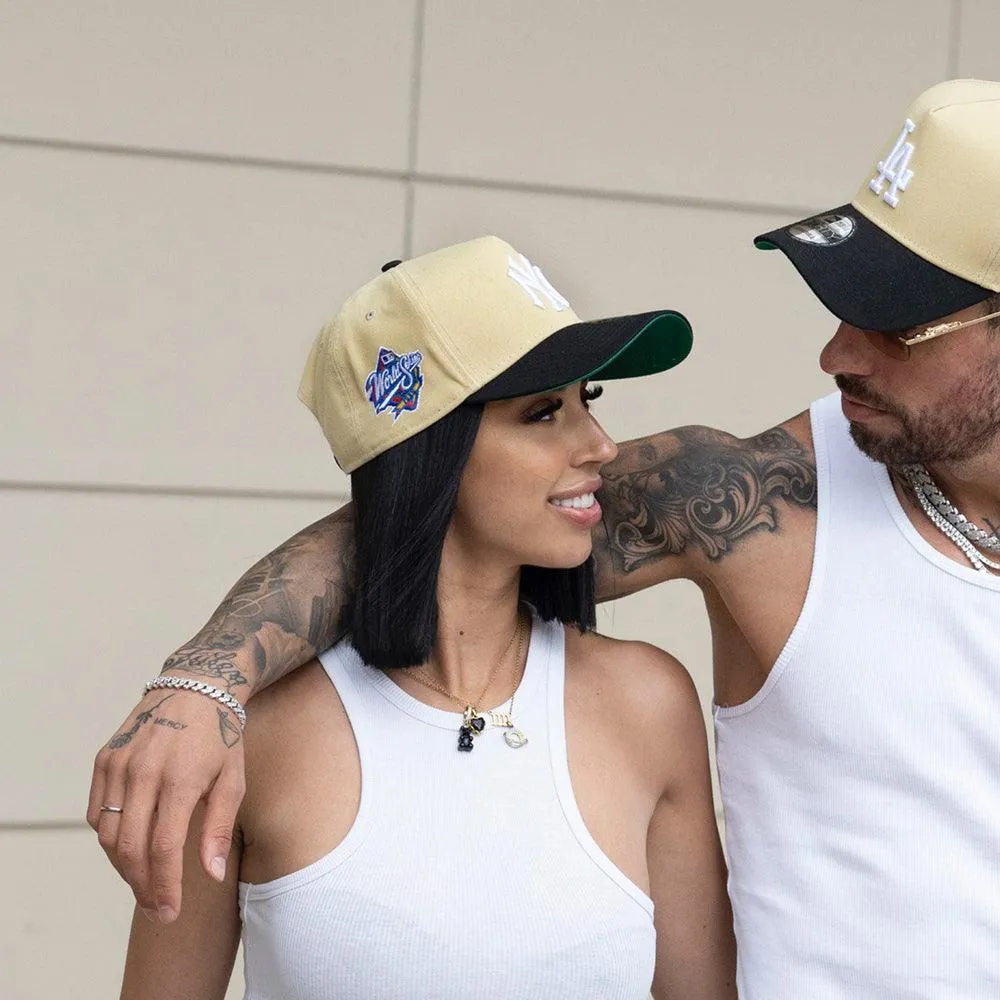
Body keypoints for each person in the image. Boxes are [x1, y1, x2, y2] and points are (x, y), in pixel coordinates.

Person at [92, 78, 1000, 997]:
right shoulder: (765, 500)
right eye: (541, 411)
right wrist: (202, 683)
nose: (837, 353)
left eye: (900, 322)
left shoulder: (639, 702)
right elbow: (424, 534)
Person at [114, 236, 736, 999]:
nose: (601, 447)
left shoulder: (647, 703)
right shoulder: (250, 732)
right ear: (429, 452)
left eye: (589, 402)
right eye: (544, 412)